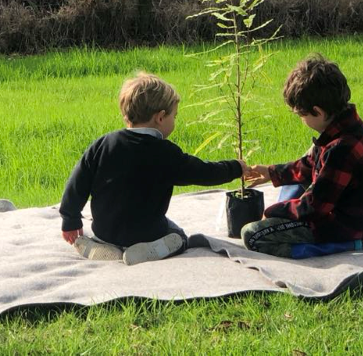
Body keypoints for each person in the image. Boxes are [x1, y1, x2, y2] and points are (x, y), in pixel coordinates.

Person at [60, 72, 249, 266]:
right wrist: (235, 167)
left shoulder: (103, 144)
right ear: (160, 117)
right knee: (178, 235)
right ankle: (151, 251)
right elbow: (203, 172)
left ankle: (99, 245)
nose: (174, 122)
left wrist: (70, 218)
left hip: (105, 229)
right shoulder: (166, 153)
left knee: (104, 233)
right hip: (148, 233)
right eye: (174, 116)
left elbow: (77, 182)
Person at [241, 55, 363, 259]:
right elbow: (310, 164)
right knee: (290, 182)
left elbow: (315, 207)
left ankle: (340, 246)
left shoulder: (341, 149)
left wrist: (274, 212)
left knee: (253, 234)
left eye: (301, 115)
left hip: (347, 225)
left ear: (317, 111)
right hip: (350, 211)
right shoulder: (343, 126)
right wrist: (271, 172)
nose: (301, 119)